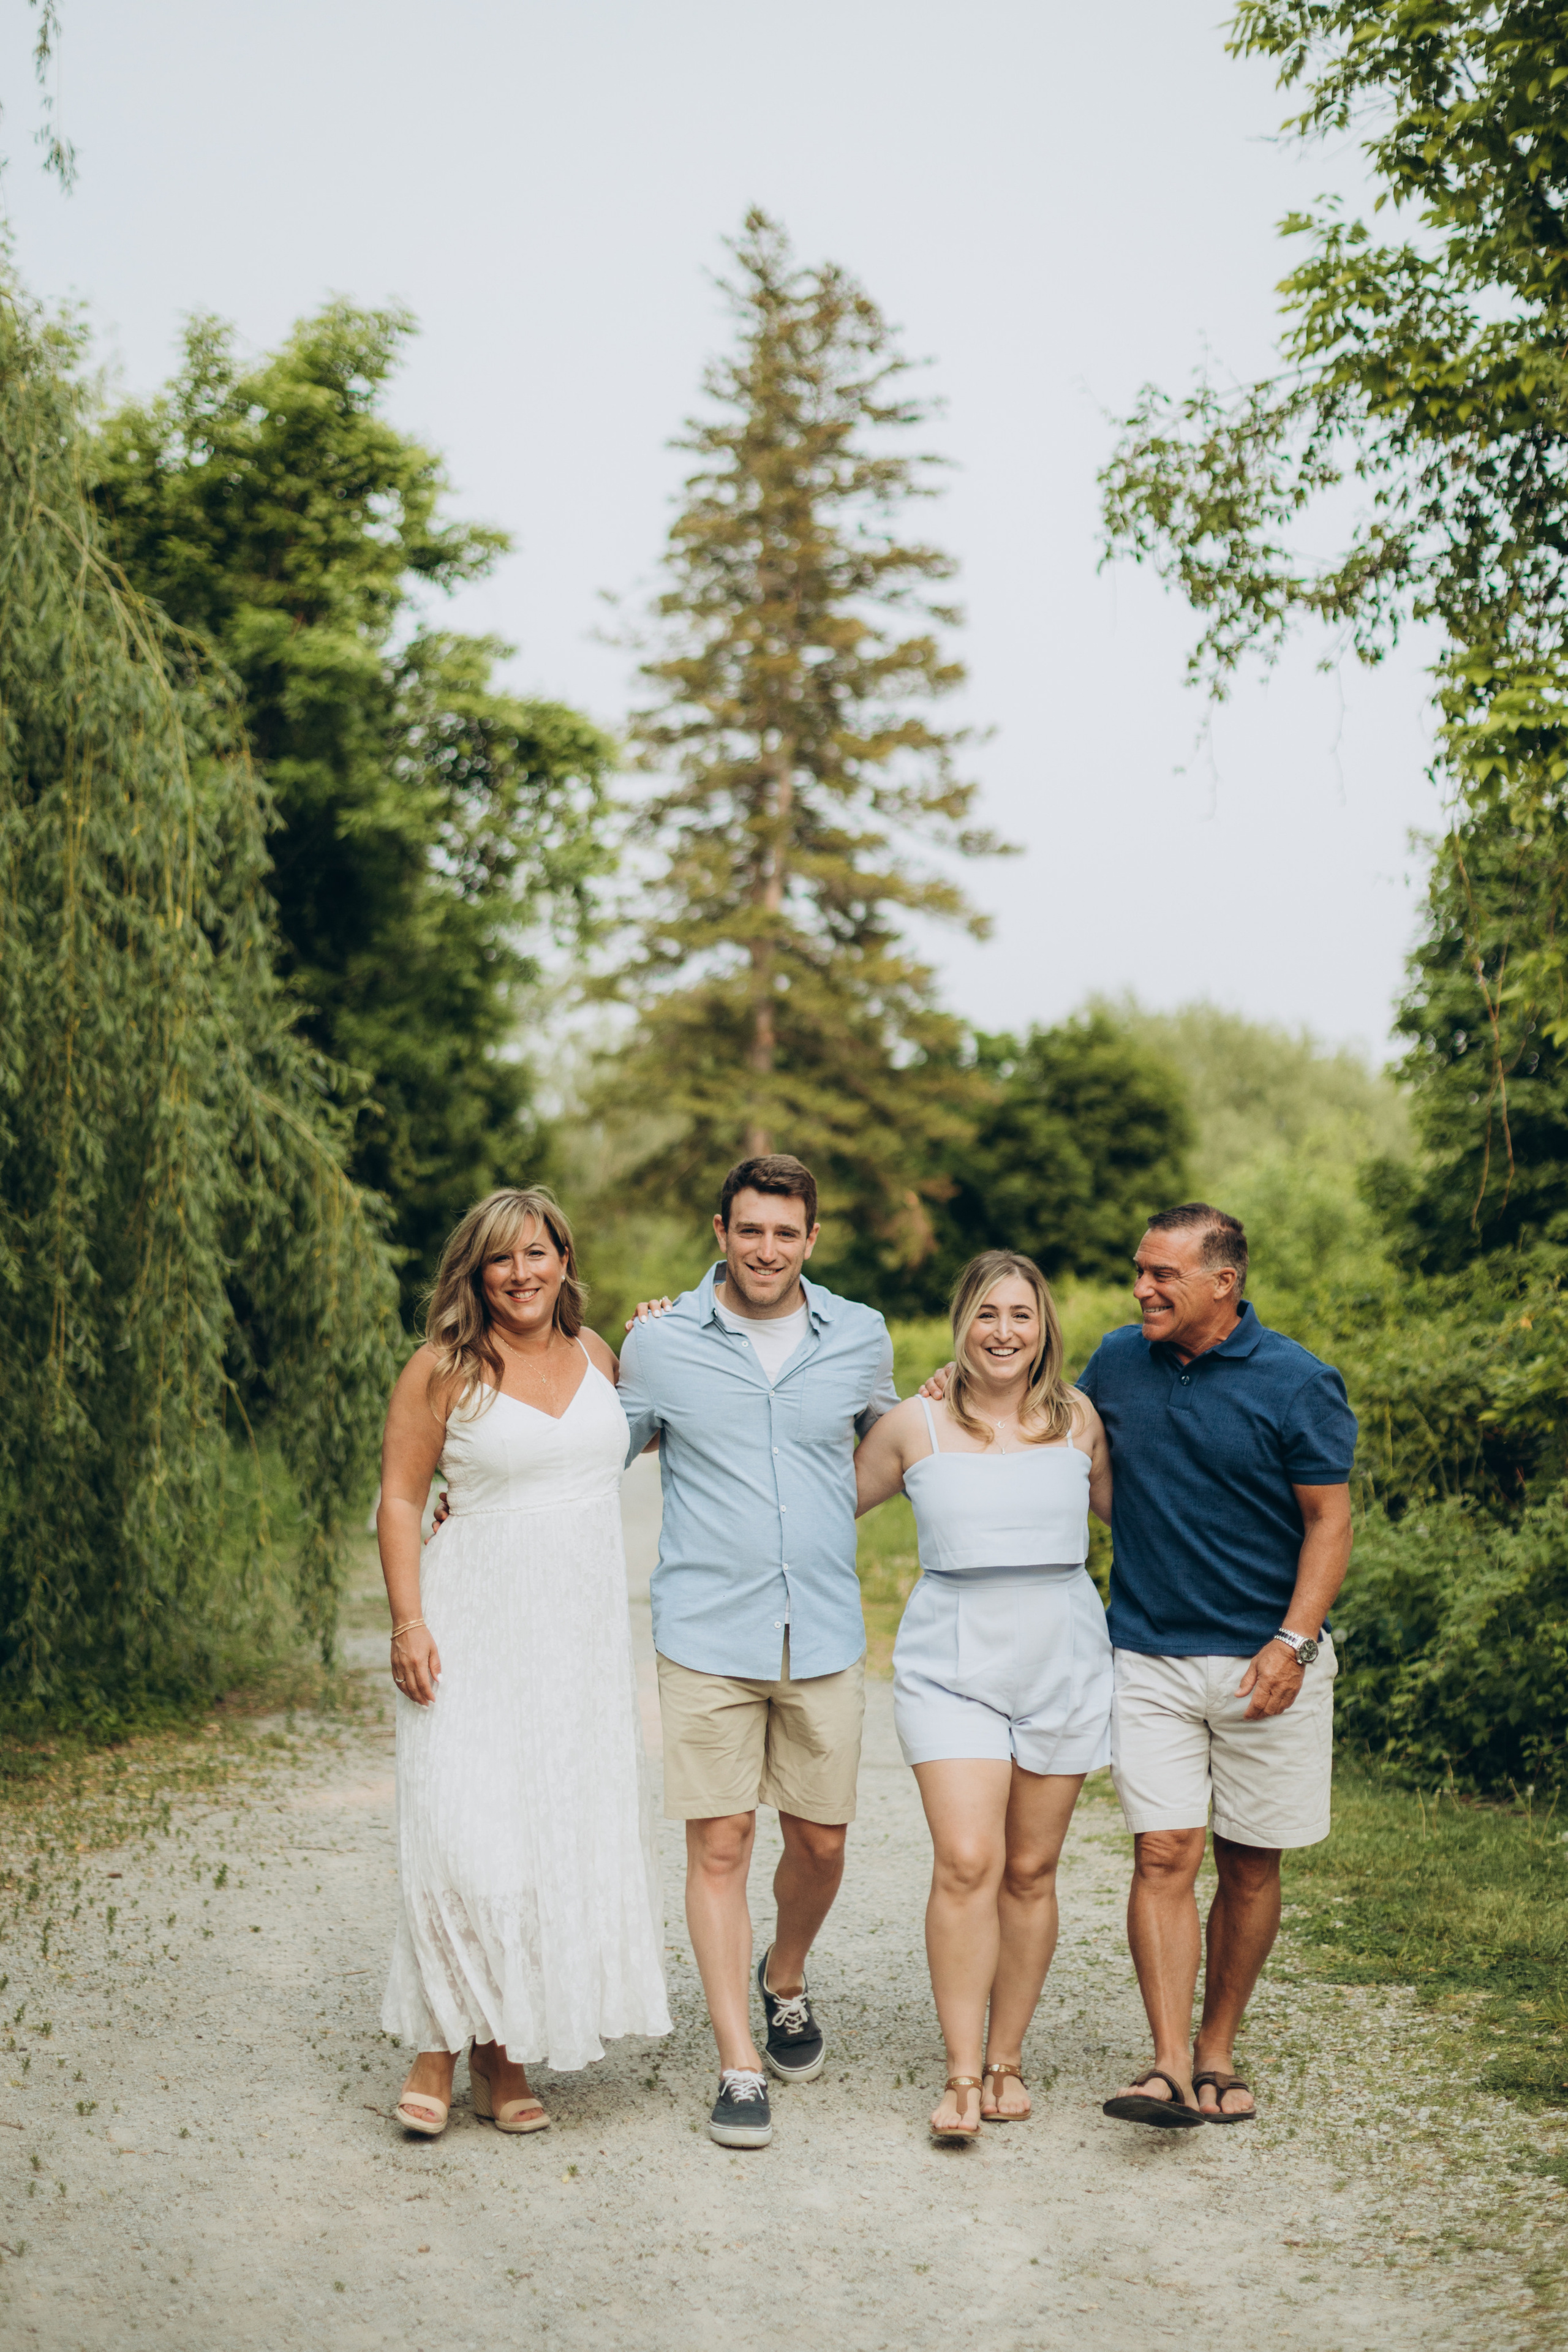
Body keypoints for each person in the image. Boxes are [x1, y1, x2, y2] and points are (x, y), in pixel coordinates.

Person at [376, 1188, 671, 2138]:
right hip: (471, 1625)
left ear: (564, 1260)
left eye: (537, 1252)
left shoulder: (600, 1357)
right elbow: (399, 1499)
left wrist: (671, 1329)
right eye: (501, 1258)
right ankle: (438, 2045)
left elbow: (663, 1422)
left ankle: (502, 2055)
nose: (520, 1273)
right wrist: (408, 1622)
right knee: (463, 1831)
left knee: (547, 1838)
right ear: (475, 1272)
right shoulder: (441, 1369)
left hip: (576, 1641)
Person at [618, 1153, 898, 2149]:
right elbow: (593, 1452)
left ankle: (784, 1975)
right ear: (720, 1232)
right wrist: (462, 1492)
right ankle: (738, 2064)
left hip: (821, 1628)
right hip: (705, 1632)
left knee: (821, 1843)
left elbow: (900, 1446)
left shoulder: (860, 1335)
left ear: (811, 1239)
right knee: (723, 1841)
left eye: (785, 1233)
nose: (766, 1250)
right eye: (750, 1230)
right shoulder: (658, 1344)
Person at [854, 1251, 1114, 2143]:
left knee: (1032, 1869)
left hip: (1063, 1653)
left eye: (1021, 1315)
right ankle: (962, 2074)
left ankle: (1007, 2059)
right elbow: (812, 1511)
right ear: (961, 1323)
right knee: (968, 1860)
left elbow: (1144, 1515)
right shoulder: (912, 1425)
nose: (1004, 1332)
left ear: (1044, 1328)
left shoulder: (1079, 1419)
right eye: (987, 1315)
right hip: (950, 1660)